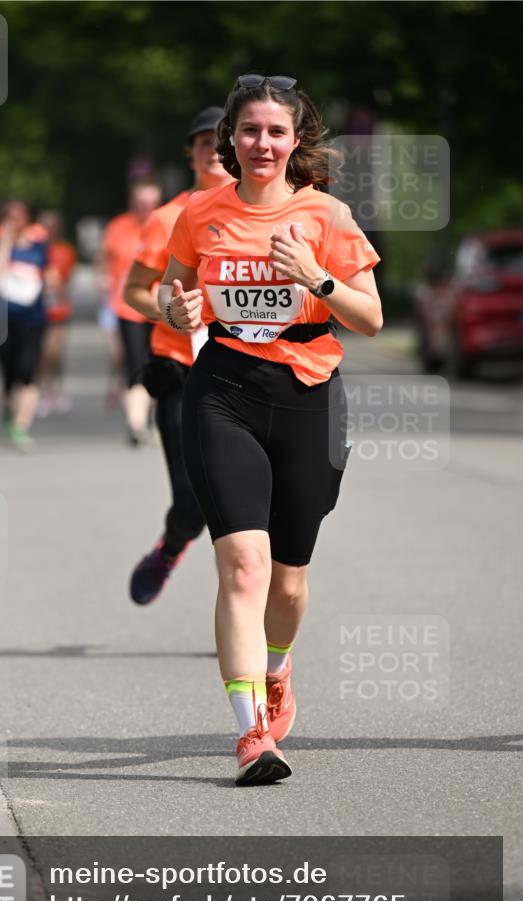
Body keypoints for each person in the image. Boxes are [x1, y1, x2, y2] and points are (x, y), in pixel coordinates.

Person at [158, 74, 382, 785]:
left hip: (307, 396)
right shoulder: (200, 212)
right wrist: (176, 310)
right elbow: (170, 290)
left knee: (286, 584)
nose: (261, 143)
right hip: (222, 391)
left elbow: (371, 317)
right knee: (244, 567)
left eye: (275, 132)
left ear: (295, 140)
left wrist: (316, 278)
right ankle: (252, 733)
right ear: (230, 137)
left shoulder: (326, 214)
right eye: (249, 130)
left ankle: (277, 669)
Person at [124, 107, 230, 604]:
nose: (213, 150)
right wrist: (172, 312)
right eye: (203, 142)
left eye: (221, 140)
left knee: (244, 503)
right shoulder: (167, 218)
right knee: (191, 504)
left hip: (244, 369)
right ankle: (169, 549)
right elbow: (134, 291)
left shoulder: (259, 213)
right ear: (191, 154)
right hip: (181, 370)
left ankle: (247, 601)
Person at [100, 179, 162, 444]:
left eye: (151, 203)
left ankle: (156, 419)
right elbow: (105, 262)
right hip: (127, 307)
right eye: (141, 202)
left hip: (161, 307)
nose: (145, 207)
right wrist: (104, 287)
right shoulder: (118, 227)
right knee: (134, 364)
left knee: (158, 364)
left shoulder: (165, 224)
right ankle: (136, 424)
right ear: (132, 202)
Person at [0, 199, 49, 451]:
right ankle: (8, 411)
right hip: (3, 321)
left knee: (28, 371)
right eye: (9, 217)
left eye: (19, 216)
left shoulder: (39, 248)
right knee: (8, 375)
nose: (15, 222)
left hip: (32, 319)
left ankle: (21, 427)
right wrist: (5, 242)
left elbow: (50, 275)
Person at [35, 210, 78, 417]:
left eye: (52, 227)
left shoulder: (65, 251)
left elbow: (67, 279)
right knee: (41, 354)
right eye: (45, 227)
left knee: (55, 352)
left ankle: (58, 389)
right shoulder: (34, 249)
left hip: (58, 308)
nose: (49, 231)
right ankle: (44, 391)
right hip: (37, 308)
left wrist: (57, 287)